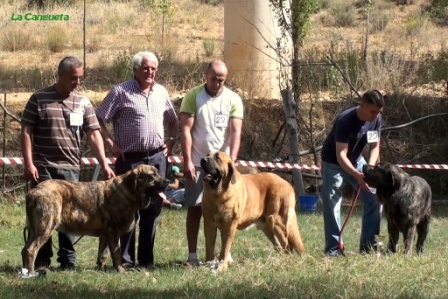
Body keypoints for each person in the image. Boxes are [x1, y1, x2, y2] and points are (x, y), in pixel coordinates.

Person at [21, 56, 115, 270]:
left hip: (71, 168)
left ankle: (68, 261)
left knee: (71, 217)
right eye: (74, 77)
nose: (78, 82)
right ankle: (41, 262)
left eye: (80, 78)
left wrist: (105, 163)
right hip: (43, 168)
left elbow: (93, 134)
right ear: (60, 75)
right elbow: (26, 131)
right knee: (44, 218)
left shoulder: (83, 102)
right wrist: (29, 163)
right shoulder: (39, 98)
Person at [96, 51, 178, 268]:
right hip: (130, 161)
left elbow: (173, 120)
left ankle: (146, 261)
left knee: (152, 211)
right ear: (135, 69)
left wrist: (170, 140)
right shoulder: (120, 92)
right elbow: (97, 118)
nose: (150, 72)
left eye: (153, 68)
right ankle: (125, 261)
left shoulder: (161, 92)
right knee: (127, 212)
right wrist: (110, 143)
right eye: (145, 68)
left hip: (157, 160)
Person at [180, 60, 244, 266]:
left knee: (228, 211)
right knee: (195, 208)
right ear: (205, 75)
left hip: (222, 167)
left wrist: (232, 161)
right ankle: (192, 255)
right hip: (199, 163)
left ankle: (226, 254)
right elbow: (185, 131)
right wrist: (188, 161)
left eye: (221, 80)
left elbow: (236, 133)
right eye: (213, 78)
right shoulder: (193, 96)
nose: (217, 83)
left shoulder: (233, 99)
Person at [320, 89, 384, 256]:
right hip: (333, 162)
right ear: (362, 105)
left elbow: (375, 146)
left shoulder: (376, 119)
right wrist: (357, 175)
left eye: (378, 112)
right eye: (373, 111)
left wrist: (369, 170)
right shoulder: (346, 120)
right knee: (333, 203)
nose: (376, 115)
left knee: (375, 198)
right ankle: (334, 250)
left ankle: (368, 247)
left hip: (356, 160)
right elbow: (341, 155)